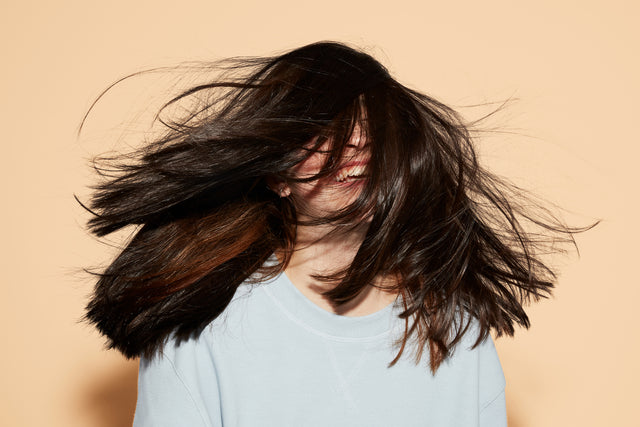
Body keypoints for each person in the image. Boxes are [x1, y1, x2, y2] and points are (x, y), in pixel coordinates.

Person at [80, 41, 587, 426]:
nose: (358, 143)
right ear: (276, 176)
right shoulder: (199, 326)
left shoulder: (455, 329)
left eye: (372, 125)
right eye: (323, 132)